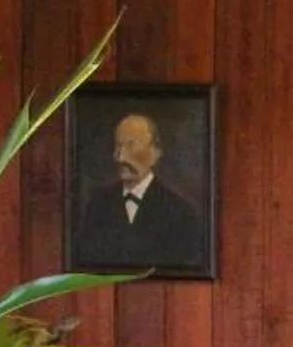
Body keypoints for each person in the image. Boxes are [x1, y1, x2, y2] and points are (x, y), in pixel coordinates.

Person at [73, 111, 206, 270]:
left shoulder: (181, 213)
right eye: (118, 145)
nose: (120, 157)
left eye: (131, 145)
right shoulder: (96, 207)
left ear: (155, 153)